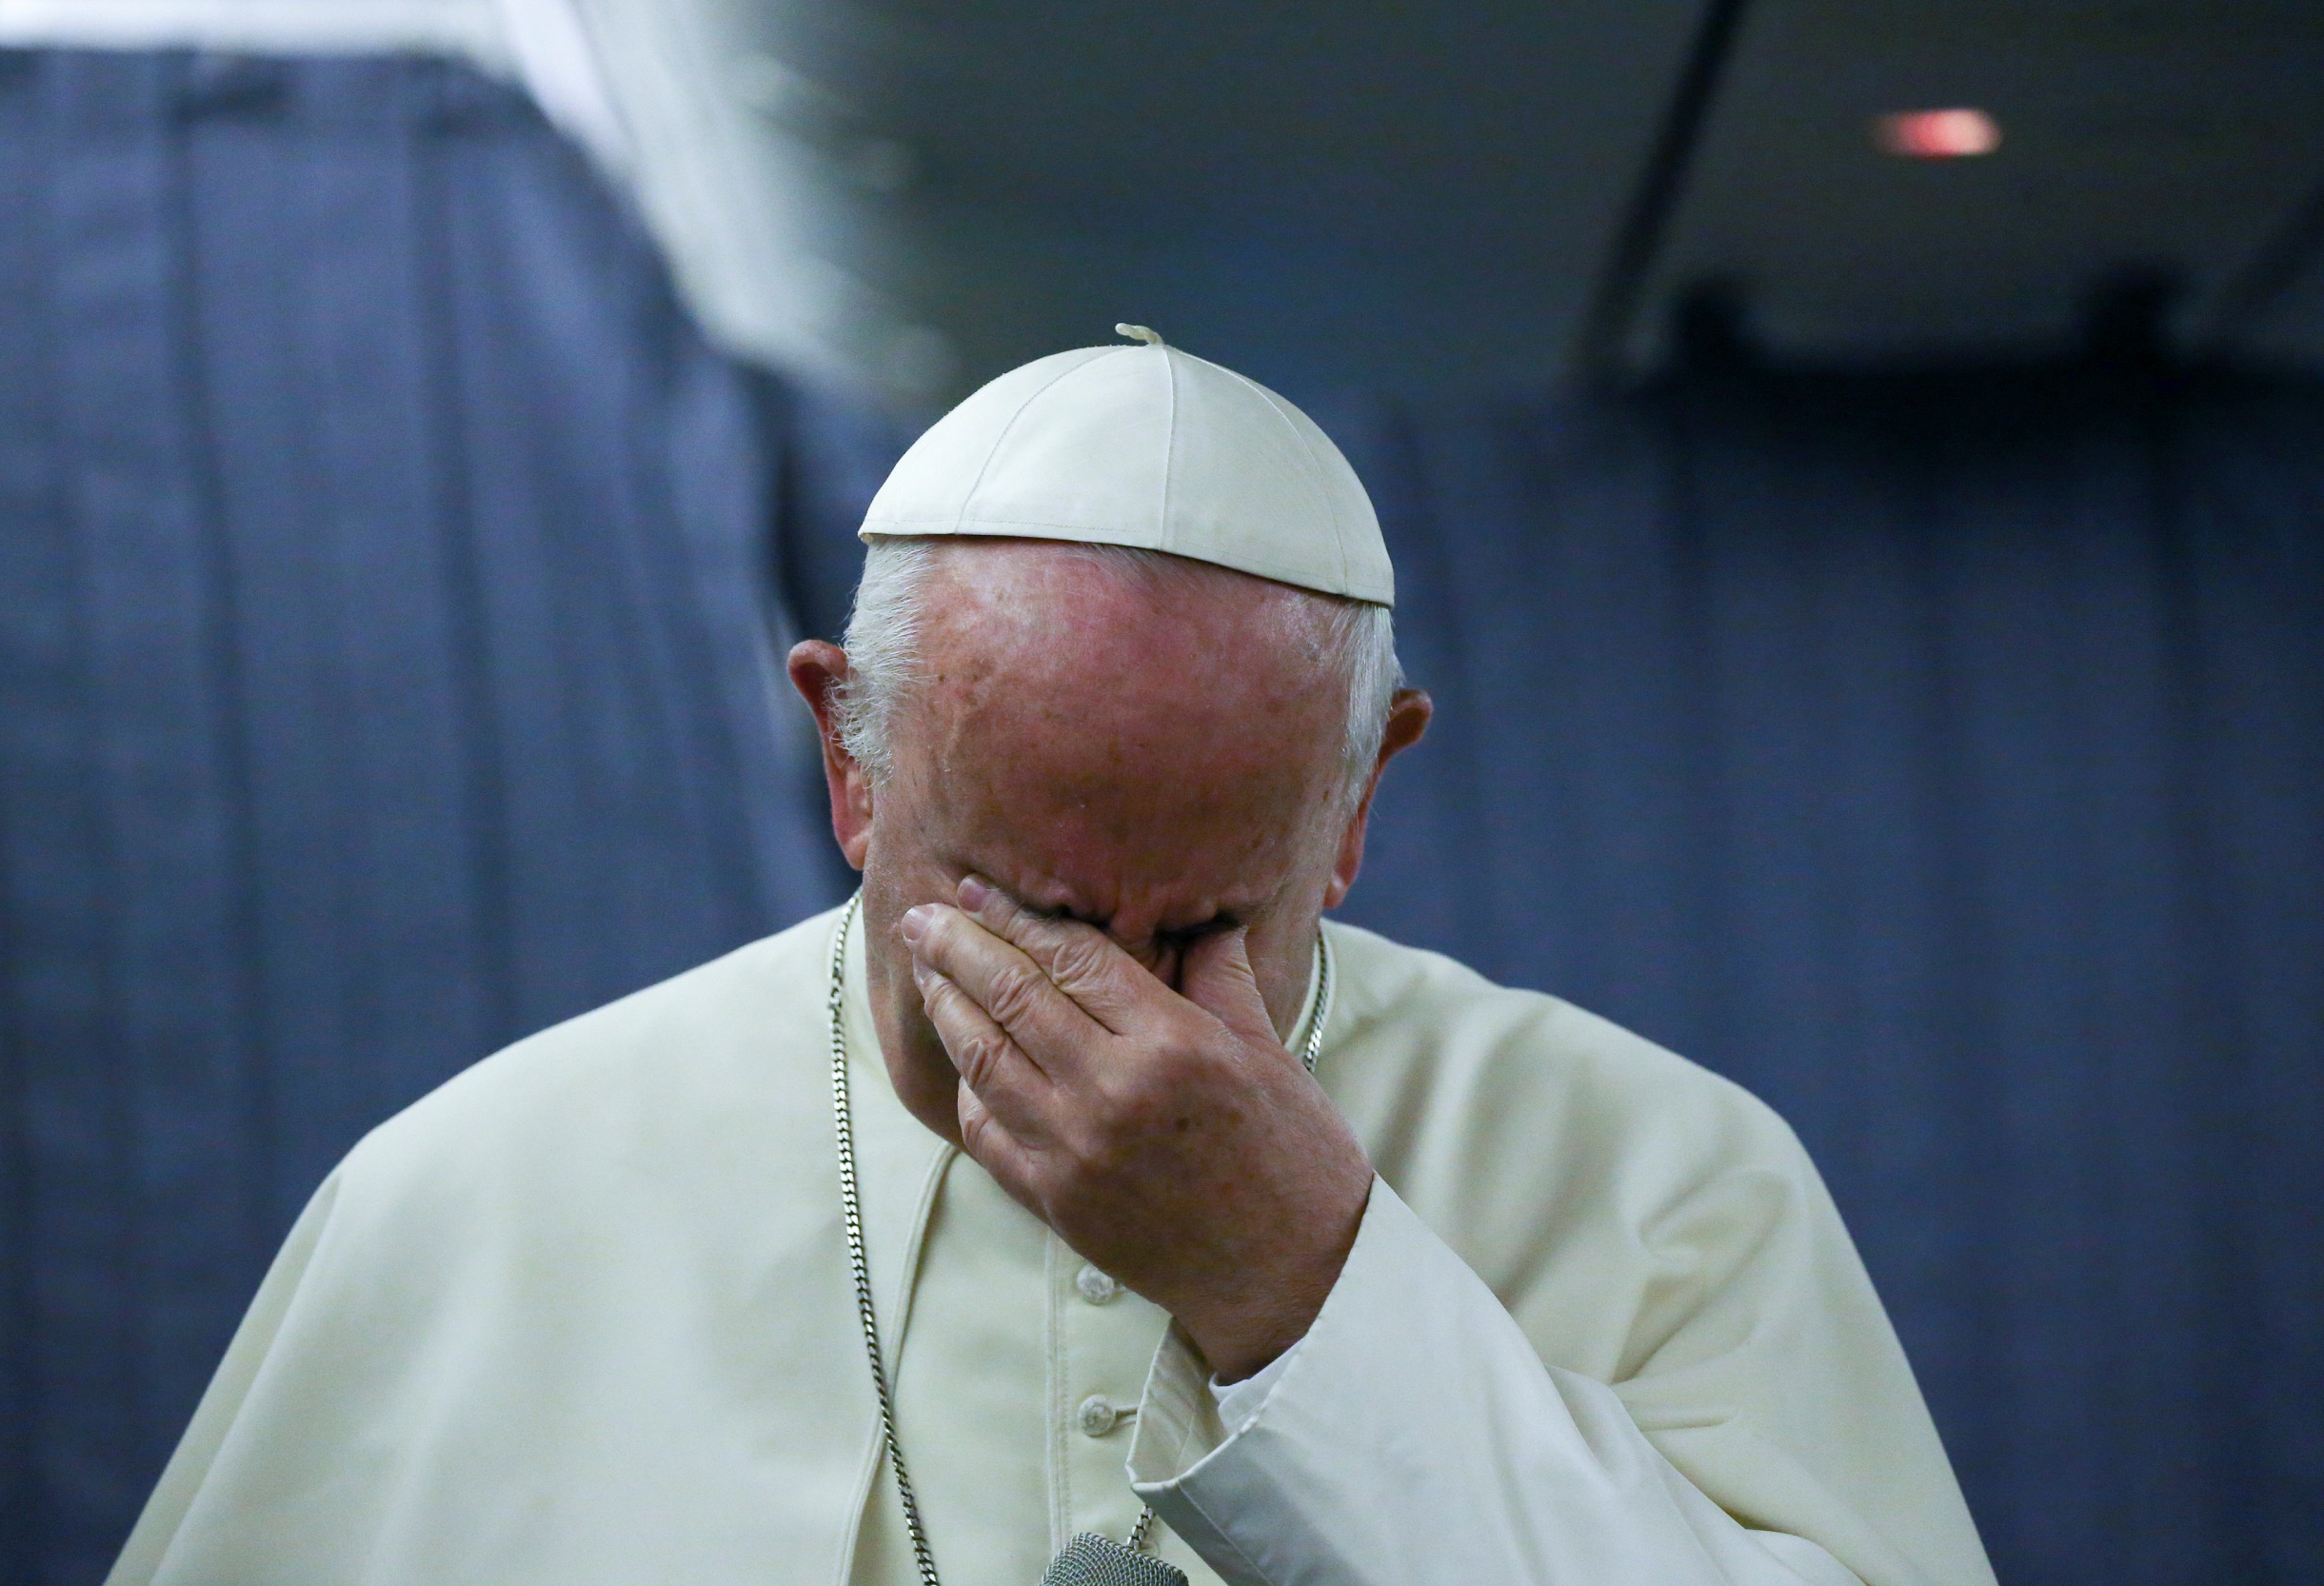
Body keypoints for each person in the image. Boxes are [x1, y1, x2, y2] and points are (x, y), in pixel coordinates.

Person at [109, 329, 1996, 1586]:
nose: (1104, 1011)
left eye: (1198, 927)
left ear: (1356, 799)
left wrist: (1303, 1288)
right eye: (1027, 908)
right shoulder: (478, 1192)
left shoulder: (1661, 1176)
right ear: (848, 756)